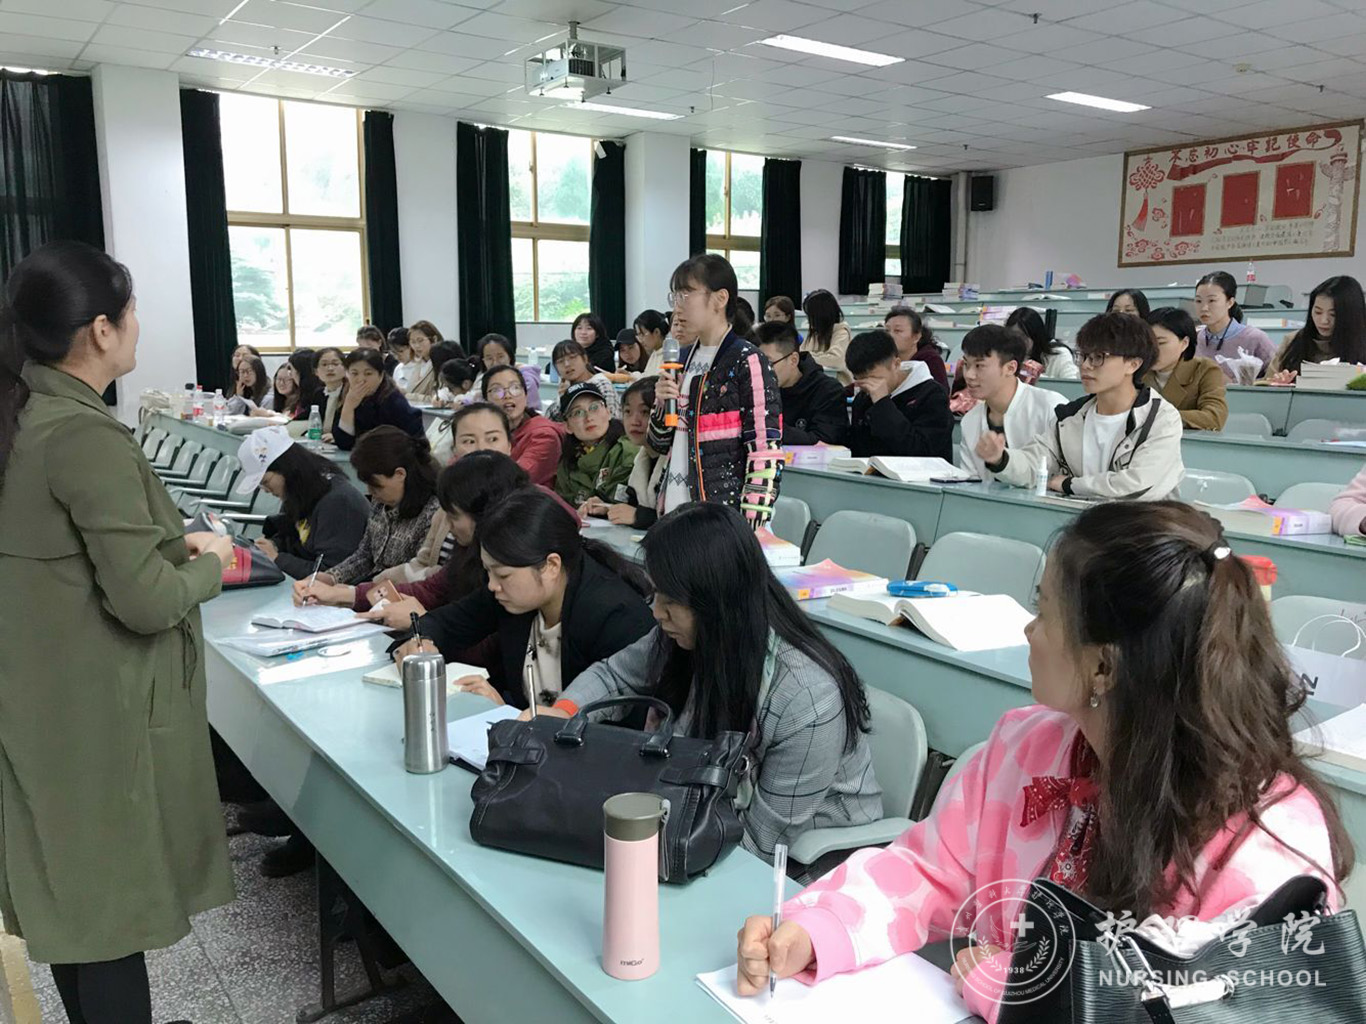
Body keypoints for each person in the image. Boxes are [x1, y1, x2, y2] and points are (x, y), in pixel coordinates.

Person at [735, 501, 1353, 1017]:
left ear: (1103, 666)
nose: (1029, 631)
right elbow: (929, 871)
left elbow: (1225, 1004)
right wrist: (819, 929)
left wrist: (1021, 989)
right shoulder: (1027, 746)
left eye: (1046, 612)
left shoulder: (1267, 841)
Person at [0, 240, 237, 1022]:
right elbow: (143, 601)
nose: (137, 325)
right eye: (131, 312)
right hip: (93, 717)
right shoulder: (82, 434)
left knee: (77, 910)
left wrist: (169, 547)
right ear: (102, 329)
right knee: (106, 918)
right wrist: (213, 563)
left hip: (44, 704)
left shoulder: (29, 415)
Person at [544, 502, 882, 866]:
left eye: (670, 600)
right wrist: (560, 714)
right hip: (707, 818)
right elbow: (614, 675)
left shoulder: (806, 698)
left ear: (716, 603)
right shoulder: (688, 636)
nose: (656, 612)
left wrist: (652, 856)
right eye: (656, 594)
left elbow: (762, 842)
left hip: (809, 863)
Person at [394, 488, 655, 709]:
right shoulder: (512, 593)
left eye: (502, 575)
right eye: (488, 572)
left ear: (551, 566)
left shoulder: (615, 618)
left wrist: (508, 715)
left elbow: (617, 731)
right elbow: (446, 622)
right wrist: (420, 641)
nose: (492, 585)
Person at [986, 312, 1184, 500]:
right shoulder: (1070, 417)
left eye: (1098, 357)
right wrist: (1001, 459)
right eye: (1083, 356)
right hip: (1084, 520)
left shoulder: (1160, 418)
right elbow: (1036, 463)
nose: (1085, 365)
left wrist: (1070, 485)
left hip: (1147, 520)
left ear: (1133, 364)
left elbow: (1138, 485)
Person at [648, 254, 784, 528]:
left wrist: (751, 526)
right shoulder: (681, 359)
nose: (677, 306)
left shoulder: (748, 360)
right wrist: (662, 404)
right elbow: (658, 443)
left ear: (720, 298)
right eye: (675, 296)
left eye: (686, 294)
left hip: (720, 519)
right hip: (674, 510)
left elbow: (764, 451)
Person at [298, 425, 440, 590]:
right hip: (371, 590)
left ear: (400, 474)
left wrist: (353, 594)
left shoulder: (432, 514)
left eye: (377, 486)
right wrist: (332, 577)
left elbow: (416, 579)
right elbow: (365, 555)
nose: (371, 493)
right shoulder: (381, 504)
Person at [233, 426, 368, 579]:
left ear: (286, 468)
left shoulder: (339, 504)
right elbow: (294, 537)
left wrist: (277, 559)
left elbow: (332, 575)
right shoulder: (300, 493)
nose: (265, 490)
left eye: (266, 482)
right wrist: (273, 545)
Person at [958, 324, 1065, 481]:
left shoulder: (1050, 407)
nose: (969, 374)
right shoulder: (970, 421)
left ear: (1010, 368)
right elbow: (969, 484)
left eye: (979, 366)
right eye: (966, 364)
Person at [845, 329, 954, 461]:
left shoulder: (932, 395)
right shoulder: (863, 398)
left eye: (874, 379)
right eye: (861, 380)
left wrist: (882, 404)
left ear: (896, 364)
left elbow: (922, 451)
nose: (869, 386)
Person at [580, 376, 665, 528]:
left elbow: (686, 521)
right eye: (628, 411)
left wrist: (639, 517)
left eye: (645, 412)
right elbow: (632, 508)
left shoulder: (679, 461)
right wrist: (607, 508)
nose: (634, 421)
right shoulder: (642, 459)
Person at [755, 320, 848, 447]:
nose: (761, 370)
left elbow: (825, 442)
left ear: (793, 360)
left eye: (769, 363)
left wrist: (770, 427)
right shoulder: (754, 389)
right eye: (756, 363)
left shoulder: (827, 391)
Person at [1265, 275, 1366, 383]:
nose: (1324, 321)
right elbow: (1265, 383)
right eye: (1318, 312)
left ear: (1352, 316)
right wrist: (1277, 384)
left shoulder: (1362, 344)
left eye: (1333, 314)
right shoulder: (1293, 340)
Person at [1142, 307, 1228, 431]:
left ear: (1184, 343)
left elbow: (1214, 417)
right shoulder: (1136, 370)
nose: (1152, 350)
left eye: (1160, 343)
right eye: (1147, 343)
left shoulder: (1204, 370)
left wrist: (1162, 417)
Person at [554, 381, 638, 507]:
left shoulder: (626, 451)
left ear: (608, 412)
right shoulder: (568, 462)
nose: (589, 418)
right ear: (567, 426)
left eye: (594, 407)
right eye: (578, 412)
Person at [482, 364, 565, 486]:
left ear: (526, 396)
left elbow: (515, 481)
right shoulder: (481, 430)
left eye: (515, 388)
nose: (507, 395)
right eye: (497, 390)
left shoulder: (544, 435)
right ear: (486, 401)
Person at [333, 347, 424, 451]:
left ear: (381, 376)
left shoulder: (393, 401)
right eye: (354, 373)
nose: (361, 379)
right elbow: (344, 443)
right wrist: (348, 407)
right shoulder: (347, 395)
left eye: (368, 374)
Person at [1194, 270, 1276, 380]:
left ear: (1230, 302)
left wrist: (1235, 384)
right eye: (1198, 301)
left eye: (1212, 300)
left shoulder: (1255, 338)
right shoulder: (1193, 338)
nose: (1204, 308)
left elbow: (1276, 378)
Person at [550, 339, 621, 419]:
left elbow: (612, 418)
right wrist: (562, 398)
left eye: (572, 357)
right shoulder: (564, 390)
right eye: (560, 361)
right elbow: (552, 422)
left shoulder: (601, 384)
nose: (567, 364)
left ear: (585, 358)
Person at [1005, 306, 1079, 379]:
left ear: (1035, 335)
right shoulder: (1007, 355)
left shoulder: (1059, 354)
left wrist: (1033, 375)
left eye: (1023, 337)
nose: (1017, 342)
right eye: (1012, 337)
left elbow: (1071, 383)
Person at [883, 306, 948, 388]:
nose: (890, 336)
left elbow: (941, 393)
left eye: (898, 330)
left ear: (916, 337)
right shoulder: (882, 359)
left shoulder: (931, 360)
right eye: (887, 330)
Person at [477, 331, 543, 408]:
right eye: (489, 358)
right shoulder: (482, 378)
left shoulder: (527, 380)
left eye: (500, 357)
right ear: (483, 361)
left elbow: (532, 409)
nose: (495, 363)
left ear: (510, 356)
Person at [801, 289, 852, 385]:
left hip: (838, 384)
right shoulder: (814, 333)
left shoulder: (841, 332)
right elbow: (801, 355)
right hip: (815, 382)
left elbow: (836, 360)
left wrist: (808, 358)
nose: (809, 320)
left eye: (811, 316)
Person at [400, 319, 442, 400]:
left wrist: (407, 395)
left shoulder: (441, 362)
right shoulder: (417, 363)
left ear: (434, 339)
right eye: (413, 342)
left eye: (420, 341)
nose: (416, 346)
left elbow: (437, 399)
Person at [311, 346, 346, 439]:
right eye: (324, 364)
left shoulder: (350, 393)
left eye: (335, 364)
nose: (330, 368)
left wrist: (336, 436)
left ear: (345, 368)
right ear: (316, 371)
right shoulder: (319, 394)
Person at [632, 308, 669, 375]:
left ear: (656, 332)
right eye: (639, 335)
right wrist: (630, 375)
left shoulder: (668, 355)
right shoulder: (655, 353)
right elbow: (646, 376)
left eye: (642, 334)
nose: (640, 340)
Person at [388, 327, 418, 393]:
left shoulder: (421, 366)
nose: (397, 356)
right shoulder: (398, 368)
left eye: (401, 351)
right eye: (394, 353)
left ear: (411, 346)